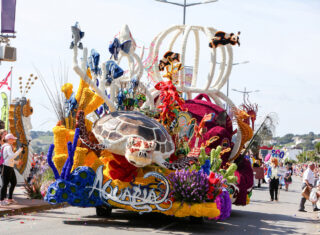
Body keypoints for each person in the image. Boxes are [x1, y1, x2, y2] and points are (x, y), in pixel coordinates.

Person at [0, 133, 23, 206]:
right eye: (12, 139)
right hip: (6, 166)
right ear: (9, 139)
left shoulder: (7, 146)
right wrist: (19, 150)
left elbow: (9, 158)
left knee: (13, 182)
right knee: (5, 184)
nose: (14, 140)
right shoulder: (7, 147)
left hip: (9, 166)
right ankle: (1, 200)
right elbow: (12, 156)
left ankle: (9, 198)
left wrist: (16, 162)